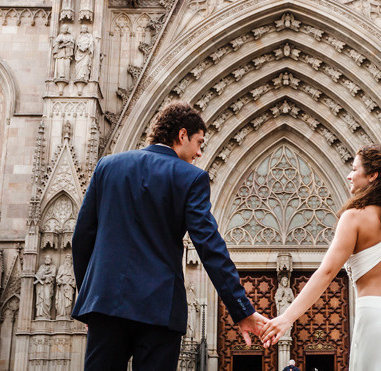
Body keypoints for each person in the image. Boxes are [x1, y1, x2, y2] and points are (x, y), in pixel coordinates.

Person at [71, 102, 267, 370]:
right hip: (158, 308)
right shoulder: (190, 178)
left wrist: (90, 297)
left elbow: (82, 237)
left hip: (105, 304)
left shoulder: (108, 167)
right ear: (182, 135)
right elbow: (210, 247)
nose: (199, 152)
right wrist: (242, 310)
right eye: (199, 142)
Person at [260, 145, 381, 370]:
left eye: (354, 169)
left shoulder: (354, 218)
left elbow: (327, 272)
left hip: (376, 316)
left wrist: (287, 318)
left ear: (372, 175)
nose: (349, 175)